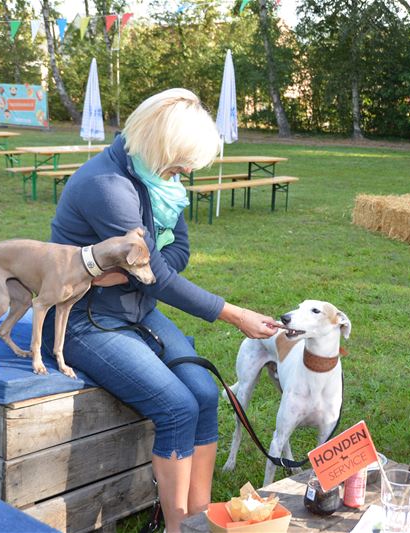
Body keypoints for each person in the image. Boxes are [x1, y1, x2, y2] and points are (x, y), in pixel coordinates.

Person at [41, 88, 278, 532]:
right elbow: (158, 275)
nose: (186, 172)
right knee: (176, 407)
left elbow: (175, 255)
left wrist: (136, 270)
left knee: (205, 395)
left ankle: (198, 517)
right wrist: (234, 314)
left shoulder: (158, 182)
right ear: (162, 145)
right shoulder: (108, 188)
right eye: (183, 161)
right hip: (87, 320)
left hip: (136, 310)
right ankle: (177, 527)